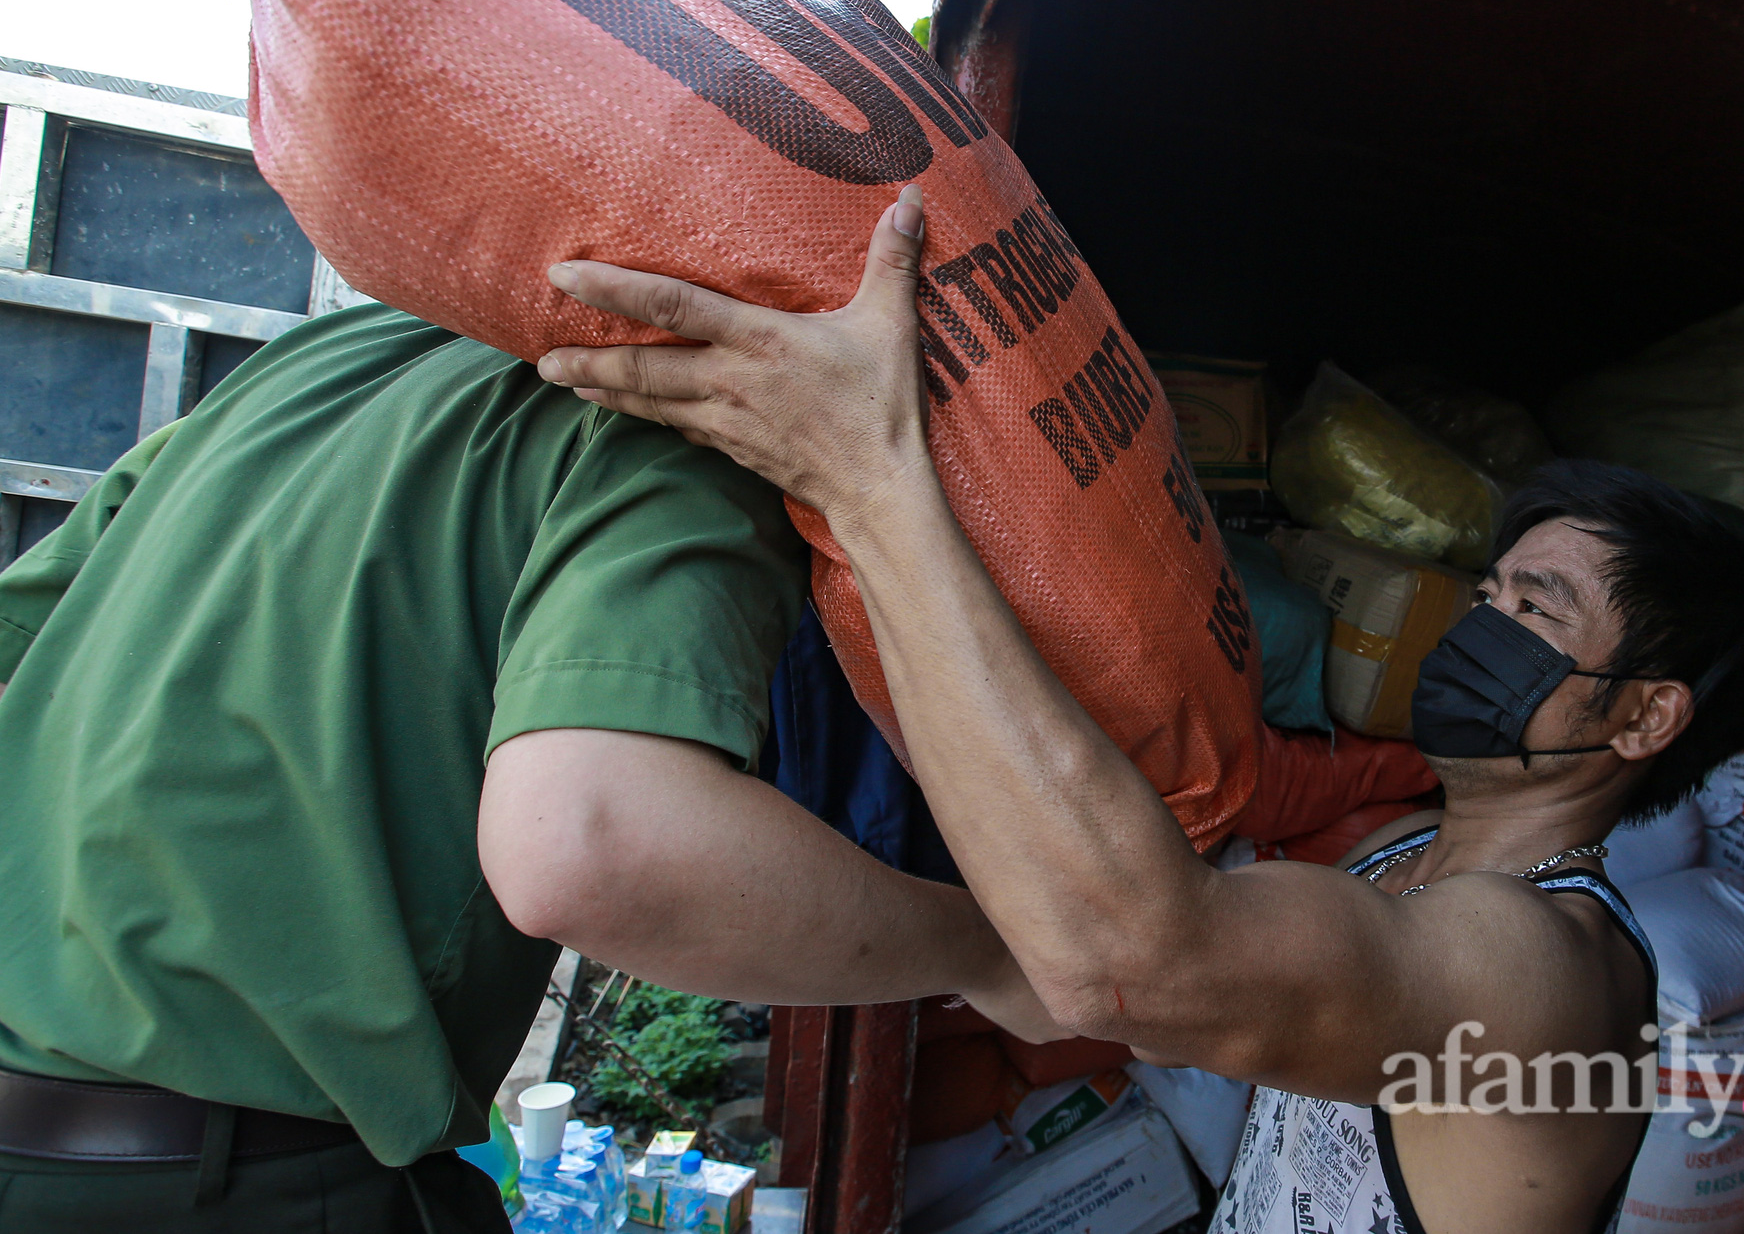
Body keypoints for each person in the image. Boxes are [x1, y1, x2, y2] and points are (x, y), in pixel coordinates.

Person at [534, 185, 1744, 1234]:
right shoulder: (1400, 857)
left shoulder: (1551, 972)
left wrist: (869, 479)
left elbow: (1134, 964)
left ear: (1641, 719)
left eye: (1536, 609)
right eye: (1489, 587)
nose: (1476, 622)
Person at [0, 305, 1051, 1232]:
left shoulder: (315, 358)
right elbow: (590, 844)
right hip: (239, 1187)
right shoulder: (679, 422)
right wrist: (992, 954)